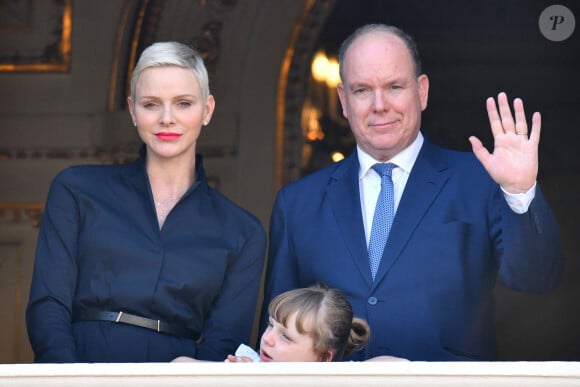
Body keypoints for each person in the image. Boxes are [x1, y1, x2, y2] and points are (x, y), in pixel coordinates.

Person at [261, 23, 565, 361]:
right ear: (343, 100)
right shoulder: (298, 203)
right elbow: (274, 335)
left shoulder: (480, 181)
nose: (379, 105)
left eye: (394, 86)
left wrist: (521, 191)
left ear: (421, 92)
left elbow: (538, 279)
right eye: (362, 90)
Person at [26, 41, 267, 363]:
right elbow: (48, 303)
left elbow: (223, 340)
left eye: (183, 103)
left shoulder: (243, 232)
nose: (167, 118)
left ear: (207, 110)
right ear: (132, 110)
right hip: (79, 367)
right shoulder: (76, 189)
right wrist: (68, 378)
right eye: (151, 104)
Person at [174, 282, 404, 362]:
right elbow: (180, 364)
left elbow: (395, 364)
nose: (268, 339)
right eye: (270, 325)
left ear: (324, 358)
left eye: (286, 337)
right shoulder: (251, 366)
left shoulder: (333, 379)